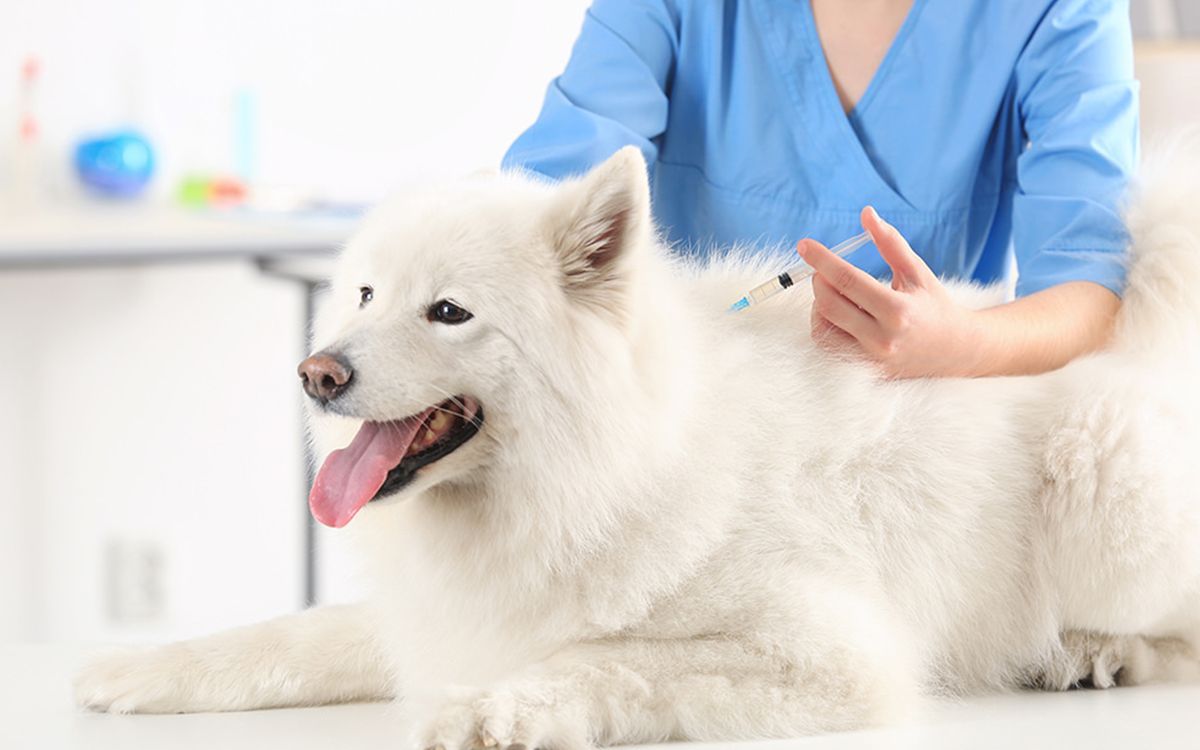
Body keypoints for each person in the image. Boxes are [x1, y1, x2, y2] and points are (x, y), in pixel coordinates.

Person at [503, 0, 1139, 378]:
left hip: (911, 440)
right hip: (685, 413)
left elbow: (1088, 292)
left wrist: (960, 343)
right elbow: (541, 207)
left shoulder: (1055, 13)